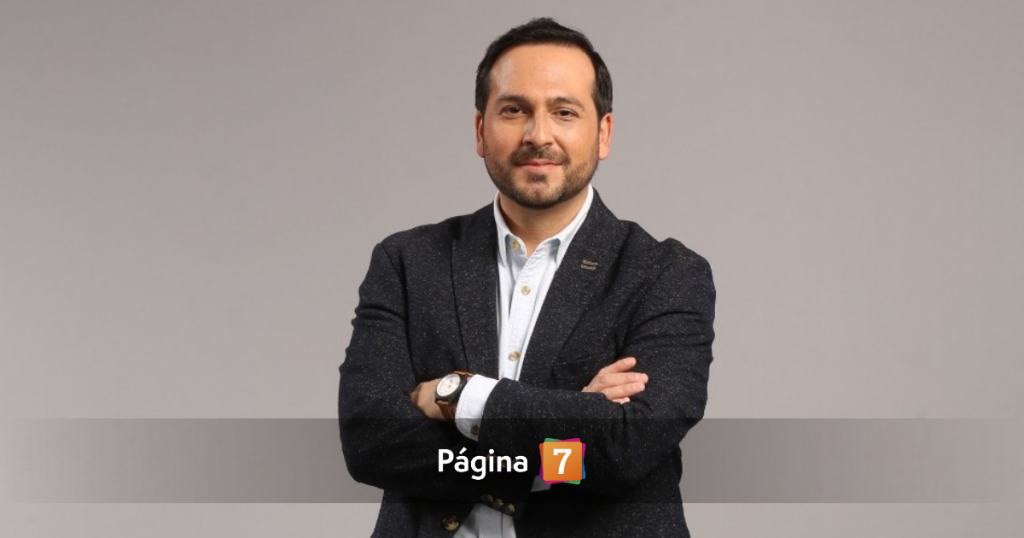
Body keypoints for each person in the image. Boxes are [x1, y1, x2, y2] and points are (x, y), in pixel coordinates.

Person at [339, 17, 715, 537]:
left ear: (603, 132)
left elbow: (624, 448)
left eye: (564, 112)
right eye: (514, 110)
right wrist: (570, 431)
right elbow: (370, 441)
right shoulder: (407, 261)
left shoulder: (666, 274)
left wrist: (460, 396)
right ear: (480, 131)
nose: (539, 135)